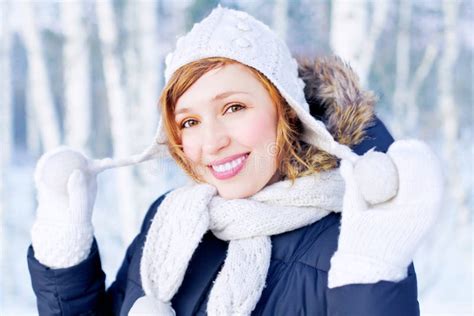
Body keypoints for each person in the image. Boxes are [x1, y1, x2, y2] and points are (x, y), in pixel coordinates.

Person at [27, 5, 443, 316]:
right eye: (189, 121)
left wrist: (371, 279)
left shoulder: (350, 240)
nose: (211, 142)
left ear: (287, 111)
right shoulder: (173, 223)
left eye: (234, 108)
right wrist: (63, 250)